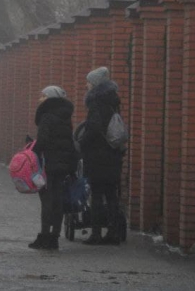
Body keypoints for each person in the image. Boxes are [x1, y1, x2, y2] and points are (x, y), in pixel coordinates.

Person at [78, 67, 124, 245]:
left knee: (96, 194)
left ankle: (96, 233)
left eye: (89, 82)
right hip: (112, 154)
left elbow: (94, 128)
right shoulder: (112, 101)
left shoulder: (96, 102)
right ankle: (113, 232)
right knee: (111, 194)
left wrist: (82, 142)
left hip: (97, 155)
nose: (86, 85)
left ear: (96, 84)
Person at [29, 86, 77, 250]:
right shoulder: (65, 117)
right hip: (63, 163)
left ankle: (44, 236)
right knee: (58, 200)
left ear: (50, 98)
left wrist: (32, 151)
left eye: (43, 96)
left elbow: (42, 140)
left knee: (46, 200)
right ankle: (54, 237)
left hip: (48, 163)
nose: (40, 99)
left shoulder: (47, 116)